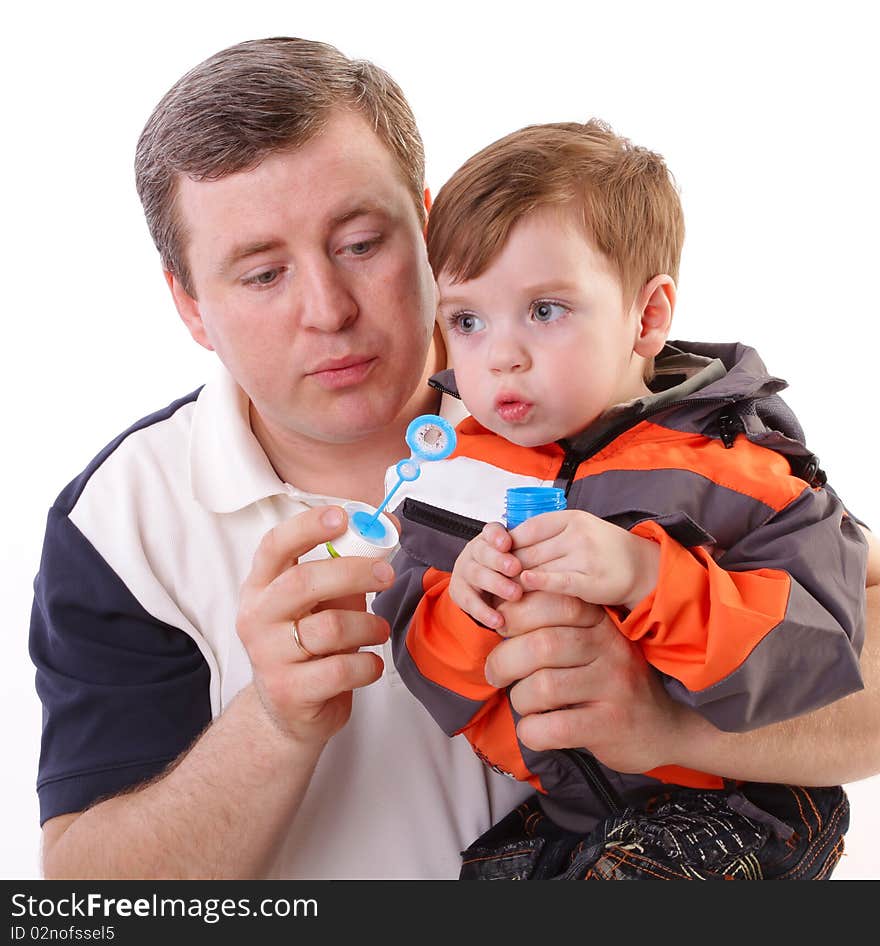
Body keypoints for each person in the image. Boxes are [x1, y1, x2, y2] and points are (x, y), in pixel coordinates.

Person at [28, 37, 880, 881]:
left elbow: (848, 634)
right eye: (261, 274)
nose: (328, 310)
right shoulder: (120, 522)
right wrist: (274, 725)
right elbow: (86, 899)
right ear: (190, 306)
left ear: (429, 227)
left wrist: (666, 725)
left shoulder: (583, 383)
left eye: (362, 243)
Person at [372, 119, 867, 879]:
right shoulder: (453, 473)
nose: (501, 354)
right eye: (466, 320)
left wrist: (648, 577)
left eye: (545, 310)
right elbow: (429, 673)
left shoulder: (740, 468)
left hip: (739, 808)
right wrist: (464, 608)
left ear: (648, 317)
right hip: (569, 811)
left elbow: (811, 651)